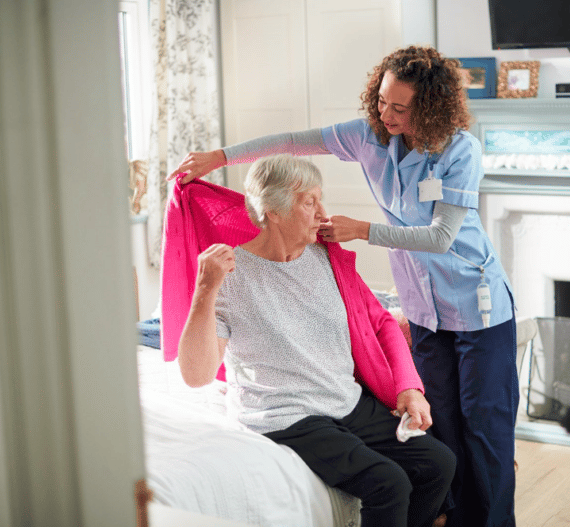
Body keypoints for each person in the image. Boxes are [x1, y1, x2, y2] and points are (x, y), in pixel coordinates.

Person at [170, 45, 518, 527]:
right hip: (422, 308)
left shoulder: (460, 151)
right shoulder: (368, 138)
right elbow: (291, 141)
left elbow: (440, 237)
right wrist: (220, 156)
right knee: (447, 432)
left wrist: (362, 230)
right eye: (381, 101)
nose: (386, 114)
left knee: (486, 433)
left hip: (476, 306)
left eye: (401, 107)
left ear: (430, 106)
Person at [177, 155, 456, 527]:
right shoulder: (232, 276)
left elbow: (380, 323)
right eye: (309, 201)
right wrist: (205, 288)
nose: (322, 212)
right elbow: (196, 376)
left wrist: (409, 388)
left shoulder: (327, 257)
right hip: (285, 414)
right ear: (273, 211)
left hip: (342, 400)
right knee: (388, 484)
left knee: (438, 463)